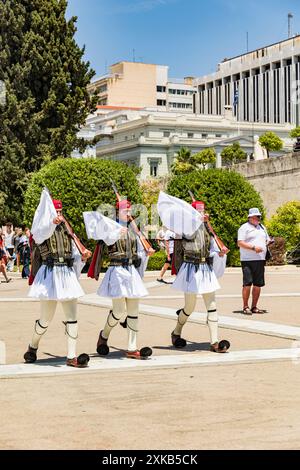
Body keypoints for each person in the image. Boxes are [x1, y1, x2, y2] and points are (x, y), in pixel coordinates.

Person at [23, 189, 90, 368]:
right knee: (45, 319)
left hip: (66, 275)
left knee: (72, 317)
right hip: (50, 275)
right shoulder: (43, 228)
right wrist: (51, 222)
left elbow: (73, 253)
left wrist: (82, 256)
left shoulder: (67, 231)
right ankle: (33, 345)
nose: (58, 215)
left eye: (60, 212)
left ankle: (72, 356)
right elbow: (38, 235)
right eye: (55, 212)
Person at [157, 192, 230, 353]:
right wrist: (198, 221)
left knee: (212, 306)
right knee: (189, 308)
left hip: (205, 269)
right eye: (199, 211)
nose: (203, 214)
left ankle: (215, 342)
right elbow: (186, 242)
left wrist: (219, 252)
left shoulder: (206, 229)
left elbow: (210, 248)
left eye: (203, 211)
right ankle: (176, 332)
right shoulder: (185, 228)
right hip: (191, 269)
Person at [84, 198, 152, 360]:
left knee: (134, 311)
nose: (128, 213)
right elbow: (98, 233)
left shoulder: (133, 230)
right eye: (125, 210)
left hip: (131, 271)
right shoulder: (110, 227)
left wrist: (145, 251)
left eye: (129, 210)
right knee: (119, 310)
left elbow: (139, 251)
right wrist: (115, 232)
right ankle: (104, 335)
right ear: (117, 212)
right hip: (117, 271)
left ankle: (132, 347)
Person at [237, 208, 272, 315]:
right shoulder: (244, 228)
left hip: (260, 259)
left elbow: (266, 239)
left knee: (258, 284)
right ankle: (245, 306)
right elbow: (240, 243)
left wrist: (269, 241)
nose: (259, 218)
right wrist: (253, 248)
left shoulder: (262, 227)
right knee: (247, 284)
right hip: (248, 260)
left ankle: (254, 307)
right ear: (250, 217)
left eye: (259, 216)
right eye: (257, 216)